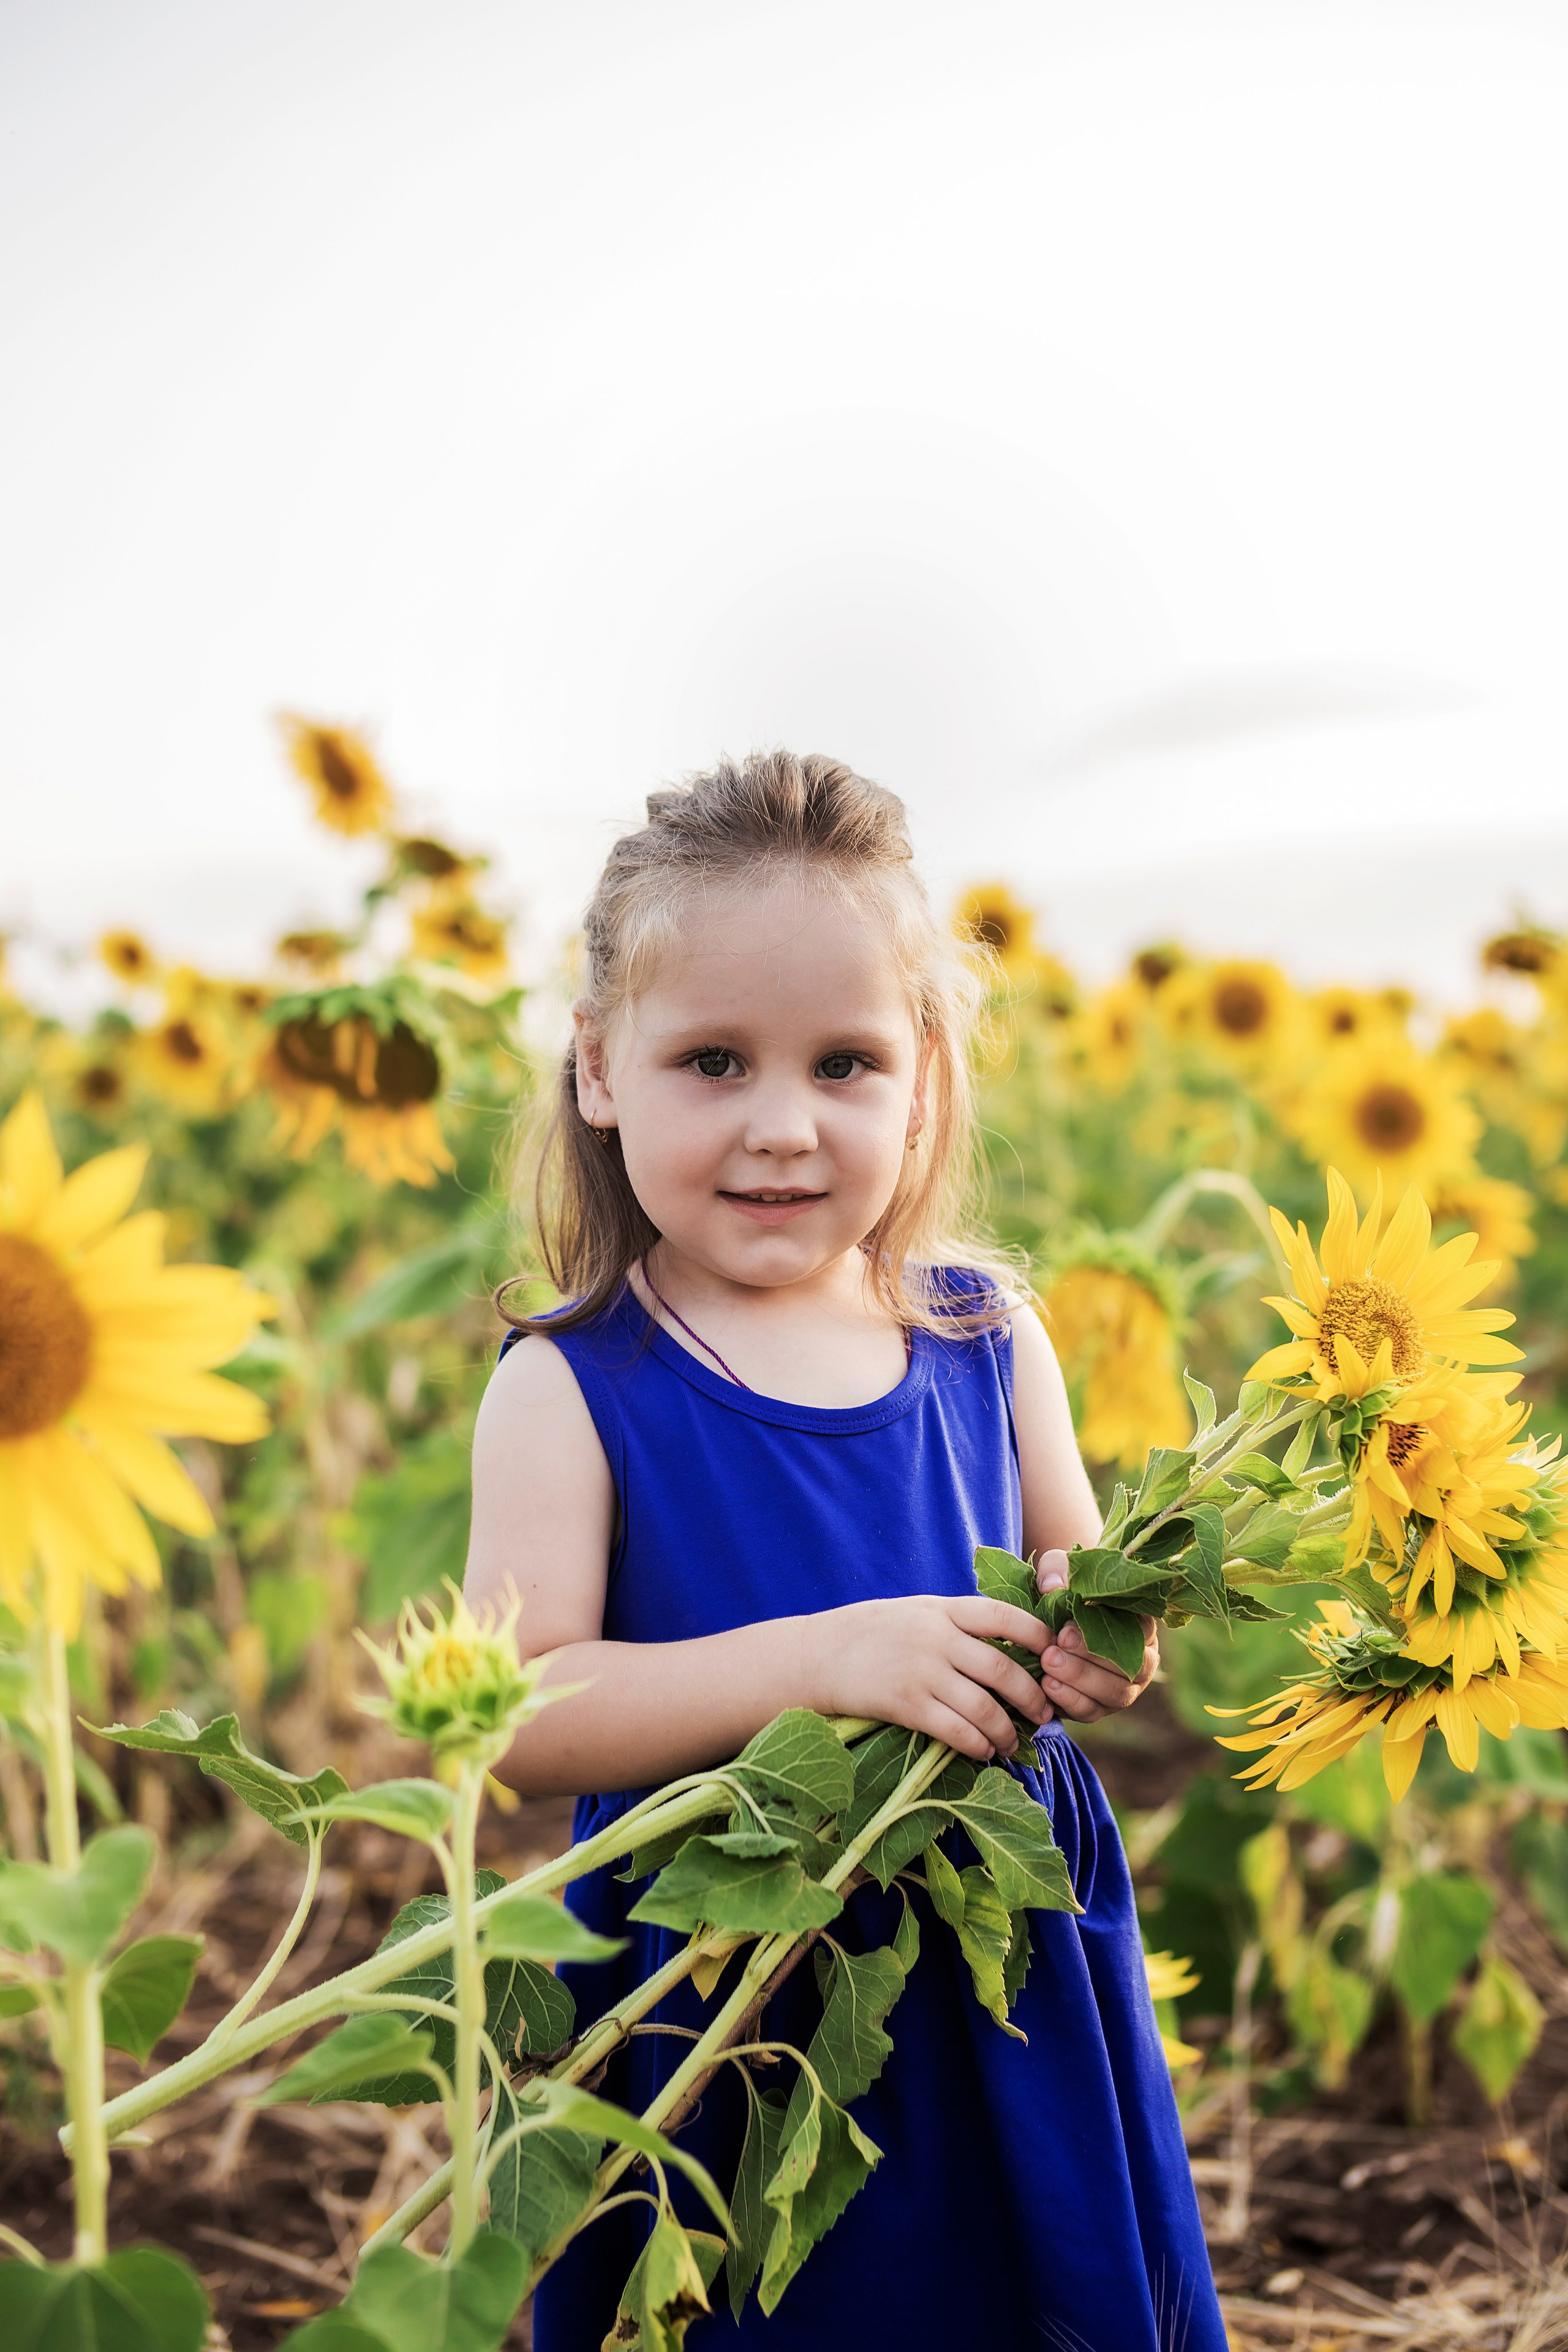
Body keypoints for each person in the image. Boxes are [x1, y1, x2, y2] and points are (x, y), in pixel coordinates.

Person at [466, 750, 1226, 2351]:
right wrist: (831, 1660)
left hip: (988, 1956)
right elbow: (516, 1718)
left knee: (1027, 2290)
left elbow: (1081, 1602)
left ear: (926, 1076)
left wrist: (1099, 1635)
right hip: (721, 1975)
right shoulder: (575, 1384)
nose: (784, 1127)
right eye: (715, 1061)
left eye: (846, 1064)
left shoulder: (987, 1339)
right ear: (599, 1067)